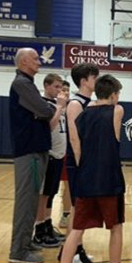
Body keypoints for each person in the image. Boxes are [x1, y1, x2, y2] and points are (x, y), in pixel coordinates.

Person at [50, 74, 132, 263]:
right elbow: (114, 109)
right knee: (115, 228)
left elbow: (76, 147)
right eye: (118, 94)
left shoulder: (82, 115)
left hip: (86, 178)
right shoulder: (117, 110)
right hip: (109, 180)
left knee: (76, 230)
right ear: (114, 94)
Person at [8, 48, 62, 263]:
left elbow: (42, 111)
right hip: (28, 151)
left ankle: (25, 241)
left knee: (31, 200)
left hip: (36, 149)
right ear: (23, 63)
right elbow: (46, 110)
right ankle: (18, 252)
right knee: (26, 201)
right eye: (35, 59)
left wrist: (42, 111)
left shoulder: (27, 84)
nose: (40, 61)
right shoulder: (21, 84)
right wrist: (46, 110)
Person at [63, 63, 100, 263]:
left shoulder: (90, 102)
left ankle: (75, 248)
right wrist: (81, 164)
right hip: (79, 163)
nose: (97, 80)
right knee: (78, 210)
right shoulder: (76, 104)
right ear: (84, 80)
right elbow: (75, 139)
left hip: (88, 162)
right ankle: (74, 255)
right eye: (94, 77)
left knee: (82, 210)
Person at [33, 74, 67, 248]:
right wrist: (60, 108)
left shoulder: (57, 105)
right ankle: (38, 230)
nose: (59, 90)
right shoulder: (43, 104)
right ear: (46, 86)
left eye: (61, 87)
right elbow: (49, 127)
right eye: (56, 87)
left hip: (59, 154)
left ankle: (47, 224)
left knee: (51, 194)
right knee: (43, 193)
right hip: (49, 154)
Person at [59, 81, 72, 229]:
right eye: (63, 90)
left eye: (67, 90)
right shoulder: (52, 108)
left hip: (68, 151)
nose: (66, 93)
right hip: (54, 152)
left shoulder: (73, 109)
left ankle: (66, 214)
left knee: (68, 185)